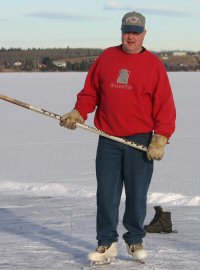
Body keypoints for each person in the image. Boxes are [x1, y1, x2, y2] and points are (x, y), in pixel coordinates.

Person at [60, 11, 176, 265]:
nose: (130, 37)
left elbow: (165, 105)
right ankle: (106, 243)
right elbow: (91, 92)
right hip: (108, 138)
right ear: (121, 31)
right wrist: (80, 112)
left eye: (136, 32)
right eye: (127, 31)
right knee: (107, 194)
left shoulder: (154, 65)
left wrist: (161, 137)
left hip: (140, 140)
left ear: (144, 34)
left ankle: (134, 240)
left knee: (137, 194)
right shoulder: (107, 58)